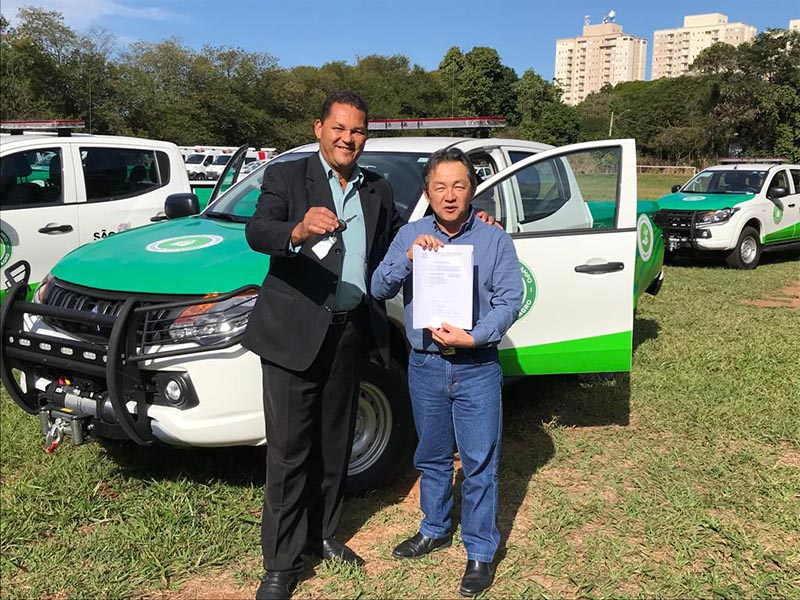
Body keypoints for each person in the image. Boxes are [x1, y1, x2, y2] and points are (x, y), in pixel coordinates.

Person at [243, 90, 405, 600]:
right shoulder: (287, 177)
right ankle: (280, 563)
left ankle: (324, 534)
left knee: (335, 442)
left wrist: (465, 224)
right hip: (294, 333)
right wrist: (296, 229)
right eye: (339, 128)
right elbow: (257, 230)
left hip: (349, 330)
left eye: (357, 131)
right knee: (290, 451)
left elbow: (402, 237)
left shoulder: (376, 190)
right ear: (319, 129)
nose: (347, 138)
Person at [371, 148, 523, 598]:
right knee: (432, 457)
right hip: (426, 365)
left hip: (476, 367)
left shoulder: (494, 240)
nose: (450, 195)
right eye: (440, 187)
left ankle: (479, 551)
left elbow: (509, 301)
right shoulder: (411, 234)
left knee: (479, 464)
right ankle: (434, 528)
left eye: (459, 186)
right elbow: (379, 286)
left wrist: (474, 337)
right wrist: (409, 258)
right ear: (427, 192)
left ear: (472, 190)